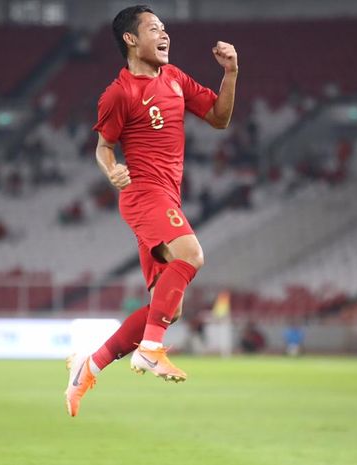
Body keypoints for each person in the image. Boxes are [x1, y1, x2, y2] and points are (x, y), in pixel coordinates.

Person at [65, 4, 237, 417]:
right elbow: (103, 146)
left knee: (168, 307)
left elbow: (219, 118)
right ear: (130, 39)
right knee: (192, 255)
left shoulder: (174, 79)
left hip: (166, 198)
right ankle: (151, 350)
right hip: (144, 194)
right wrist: (112, 170)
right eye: (154, 29)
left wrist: (230, 74)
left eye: (165, 29)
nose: (165, 36)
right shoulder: (119, 93)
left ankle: (88, 367)